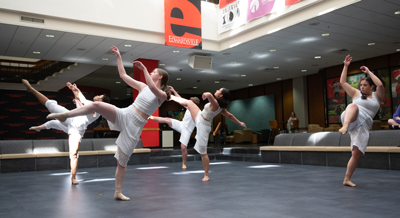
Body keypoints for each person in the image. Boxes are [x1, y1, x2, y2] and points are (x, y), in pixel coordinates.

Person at [47, 46, 170, 200]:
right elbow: (123, 75)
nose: (151, 74)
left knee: (122, 163)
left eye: (153, 73)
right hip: (126, 113)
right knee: (97, 105)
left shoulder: (162, 95)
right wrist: (118, 56)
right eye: (150, 72)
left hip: (135, 125)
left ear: (160, 77)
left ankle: (118, 192)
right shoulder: (143, 86)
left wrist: (144, 69)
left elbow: (152, 87)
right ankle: (65, 115)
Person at [22, 79, 109, 185]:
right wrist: (74, 90)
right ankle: (31, 90)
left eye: (99, 96)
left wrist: (77, 90)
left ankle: (73, 177)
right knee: (52, 107)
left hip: (76, 129)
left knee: (73, 154)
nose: (97, 95)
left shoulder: (99, 108)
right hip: (70, 118)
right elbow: (81, 101)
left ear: (101, 101)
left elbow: (83, 100)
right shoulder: (92, 104)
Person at [169, 88, 246, 182]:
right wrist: (240, 123)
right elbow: (230, 116)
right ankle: (170, 97)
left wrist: (205, 94)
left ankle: (206, 175)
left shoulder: (216, 105)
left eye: (218, 90)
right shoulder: (220, 106)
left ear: (221, 95)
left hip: (203, 126)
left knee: (203, 153)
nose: (216, 90)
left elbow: (209, 94)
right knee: (189, 103)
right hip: (199, 116)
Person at [338, 55, 384, 187]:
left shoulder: (377, 96)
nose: (362, 87)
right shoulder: (356, 94)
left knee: (356, 154)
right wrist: (345, 66)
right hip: (350, 117)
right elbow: (343, 83)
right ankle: (345, 126)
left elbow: (380, 84)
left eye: (365, 85)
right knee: (353, 106)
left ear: (371, 87)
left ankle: (347, 179)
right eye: (361, 85)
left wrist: (369, 72)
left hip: (363, 125)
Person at [148, 86, 200, 169]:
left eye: (190, 102)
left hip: (187, 130)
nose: (188, 102)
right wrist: (174, 91)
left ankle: (184, 163)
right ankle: (151, 117)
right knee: (167, 120)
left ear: (194, 104)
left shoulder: (197, 112)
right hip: (181, 125)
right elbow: (181, 100)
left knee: (183, 147)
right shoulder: (188, 107)